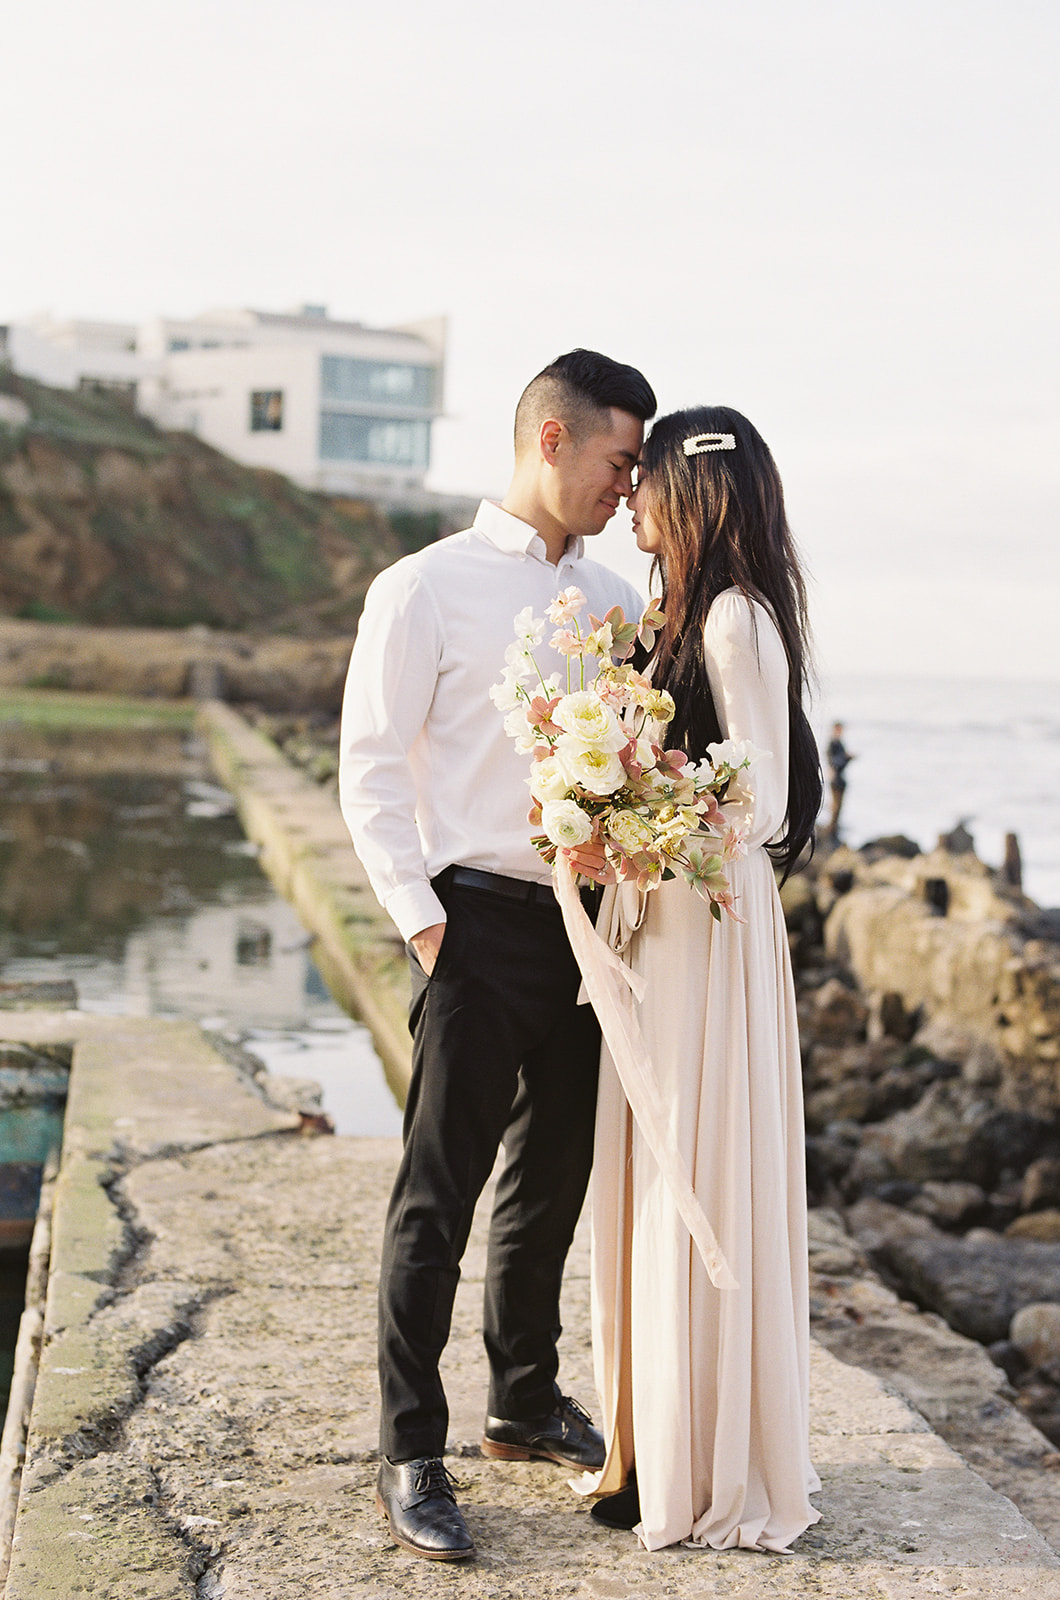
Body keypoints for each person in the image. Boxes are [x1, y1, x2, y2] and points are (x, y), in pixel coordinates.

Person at [338, 349, 656, 1561]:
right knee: (439, 1194)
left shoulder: (618, 602)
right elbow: (370, 767)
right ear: (551, 439)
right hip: (472, 920)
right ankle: (408, 1446)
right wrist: (427, 925)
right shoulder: (422, 587)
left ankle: (522, 1402)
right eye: (619, 462)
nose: (628, 488)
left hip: (588, 928)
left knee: (550, 1183)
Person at [566, 405, 824, 1551]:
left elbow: (756, 802)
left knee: (693, 1158)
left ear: (692, 494)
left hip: (706, 922)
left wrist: (631, 807)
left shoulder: (732, 617)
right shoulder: (683, 615)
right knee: (655, 1156)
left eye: (647, 478)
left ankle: (697, 1457)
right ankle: (647, 1445)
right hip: (667, 914)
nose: (630, 497)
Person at [825, 721, 853, 838]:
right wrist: (846, 758)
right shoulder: (833, 744)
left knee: (838, 806)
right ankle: (832, 830)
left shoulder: (839, 743)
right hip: (836, 779)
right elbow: (834, 763)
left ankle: (834, 828)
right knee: (835, 806)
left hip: (840, 778)